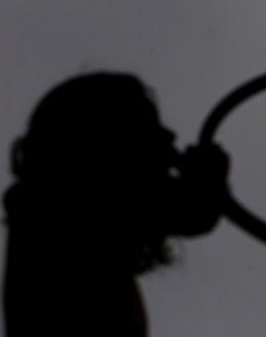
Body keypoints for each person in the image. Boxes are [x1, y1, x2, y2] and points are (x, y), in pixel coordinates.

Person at [2, 72, 231, 337]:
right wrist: (206, 179)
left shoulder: (45, 208)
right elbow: (191, 212)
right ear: (108, 140)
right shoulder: (62, 205)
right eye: (148, 128)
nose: (169, 136)